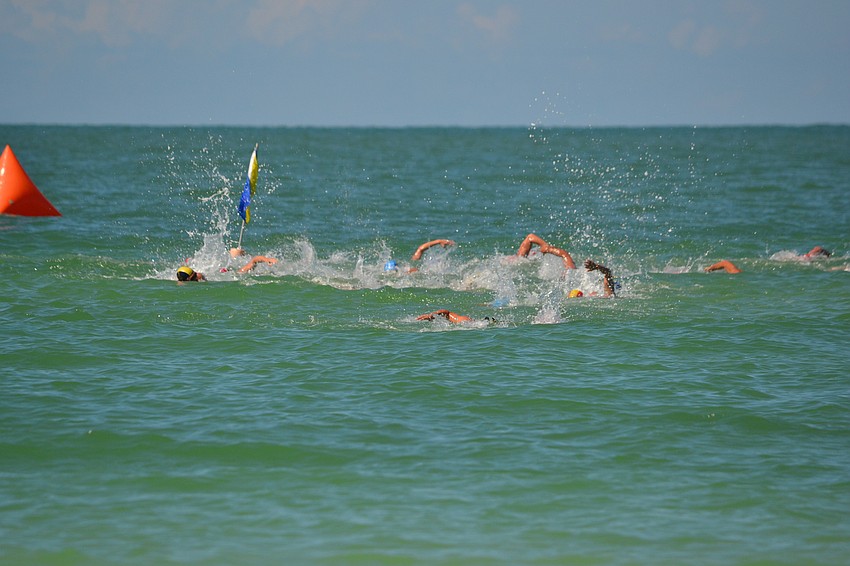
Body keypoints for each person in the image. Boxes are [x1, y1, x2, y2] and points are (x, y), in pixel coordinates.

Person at [177, 255, 277, 281]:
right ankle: (236, 253)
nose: (198, 274)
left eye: (195, 272)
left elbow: (254, 260)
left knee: (243, 268)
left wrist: (267, 259)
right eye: (195, 276)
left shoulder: (227, 276)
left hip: (227, 271)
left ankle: (236, 253)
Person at [416, 309, 498, 325]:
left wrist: (431, 314)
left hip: (464, 322)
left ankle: (488, 321)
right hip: (469, 321)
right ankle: (488, 321)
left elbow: (445, 311)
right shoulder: (449, 318)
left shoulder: (448, 315)